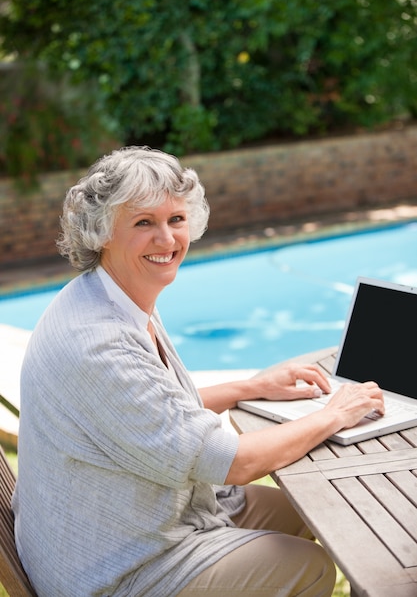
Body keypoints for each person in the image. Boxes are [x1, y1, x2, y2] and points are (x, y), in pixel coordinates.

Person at [12, 146, 384, 597]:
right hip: (116, 569)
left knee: (315, 508)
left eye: (176, 219)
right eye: (143, 222)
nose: (167, 239)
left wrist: (252, 386)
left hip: (127, 523)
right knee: (308, 566)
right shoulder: (98, 343)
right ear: (103, 230)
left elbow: (152, 414)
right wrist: (334, 414)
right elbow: (235, 462)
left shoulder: (111, 295)